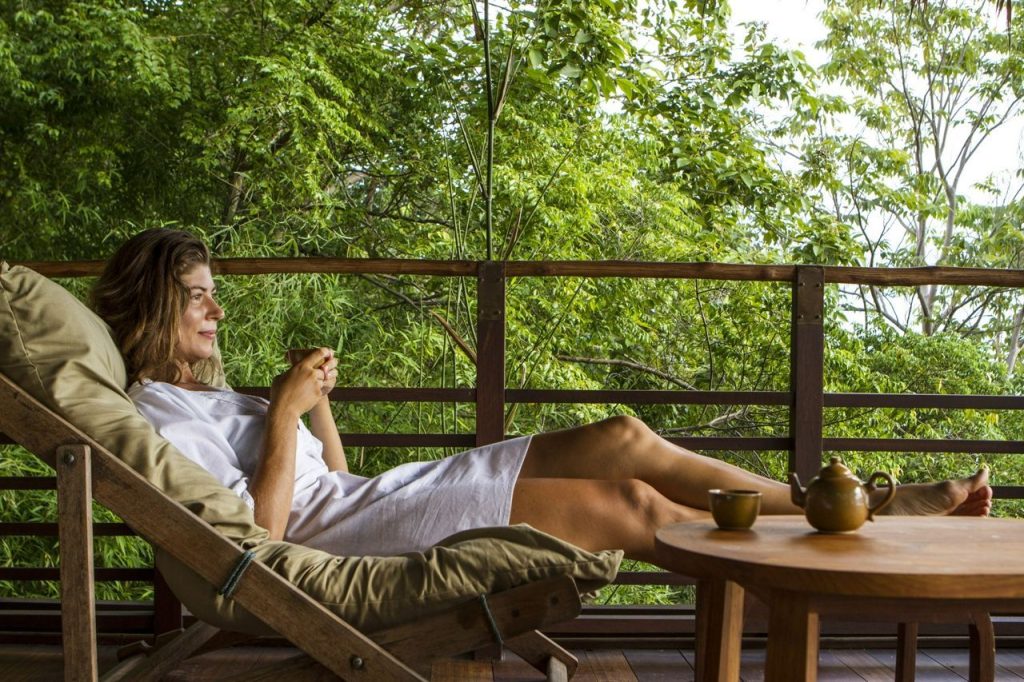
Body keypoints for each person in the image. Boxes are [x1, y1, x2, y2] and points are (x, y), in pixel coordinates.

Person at [91, 228, 993, 564]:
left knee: (625, 435)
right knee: (629, 502)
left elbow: (335, 470)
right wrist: (281, 411)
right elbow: (267, 539)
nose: (217, 306)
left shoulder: (199, 399)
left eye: (214, 290)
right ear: (150, 306)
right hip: (352, 538)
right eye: (197, 293)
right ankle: (832, 565)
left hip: (373, 495)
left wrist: (310, 402)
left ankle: (850, 509)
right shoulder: (149, 416)